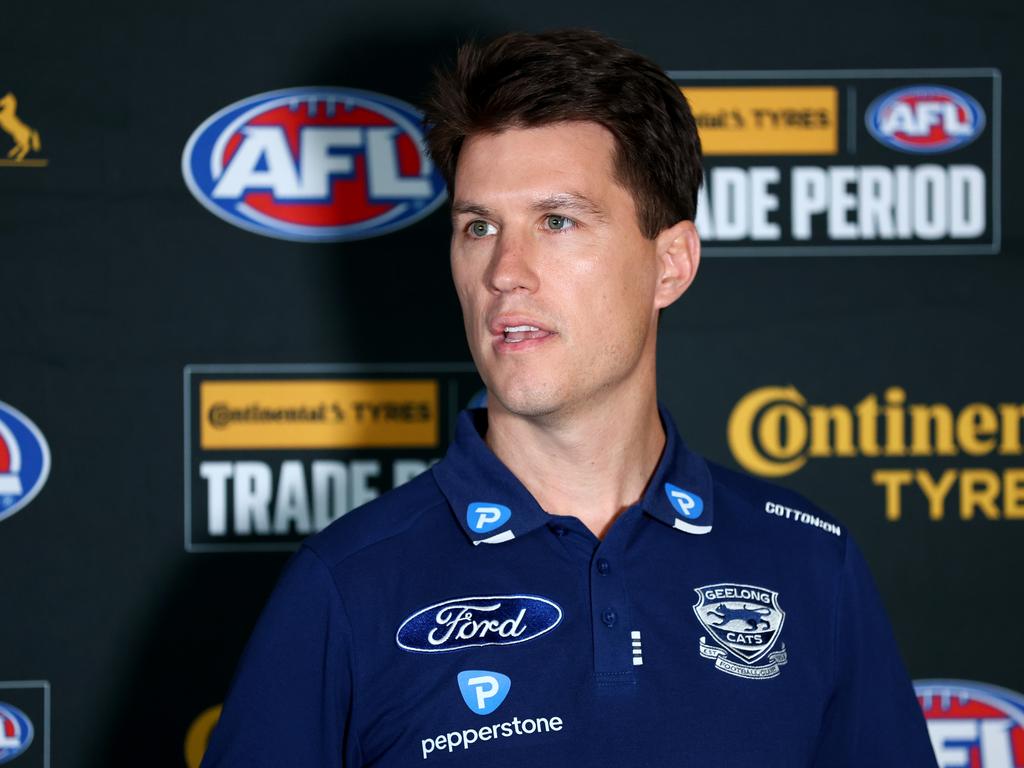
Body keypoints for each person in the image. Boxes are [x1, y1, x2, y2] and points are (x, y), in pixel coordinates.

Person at [201, 29, 938, 767]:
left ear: (672, 263)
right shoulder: (349, 583)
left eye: (557, 222)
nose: (505, 271)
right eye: (479, 226)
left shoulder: (808, 564)